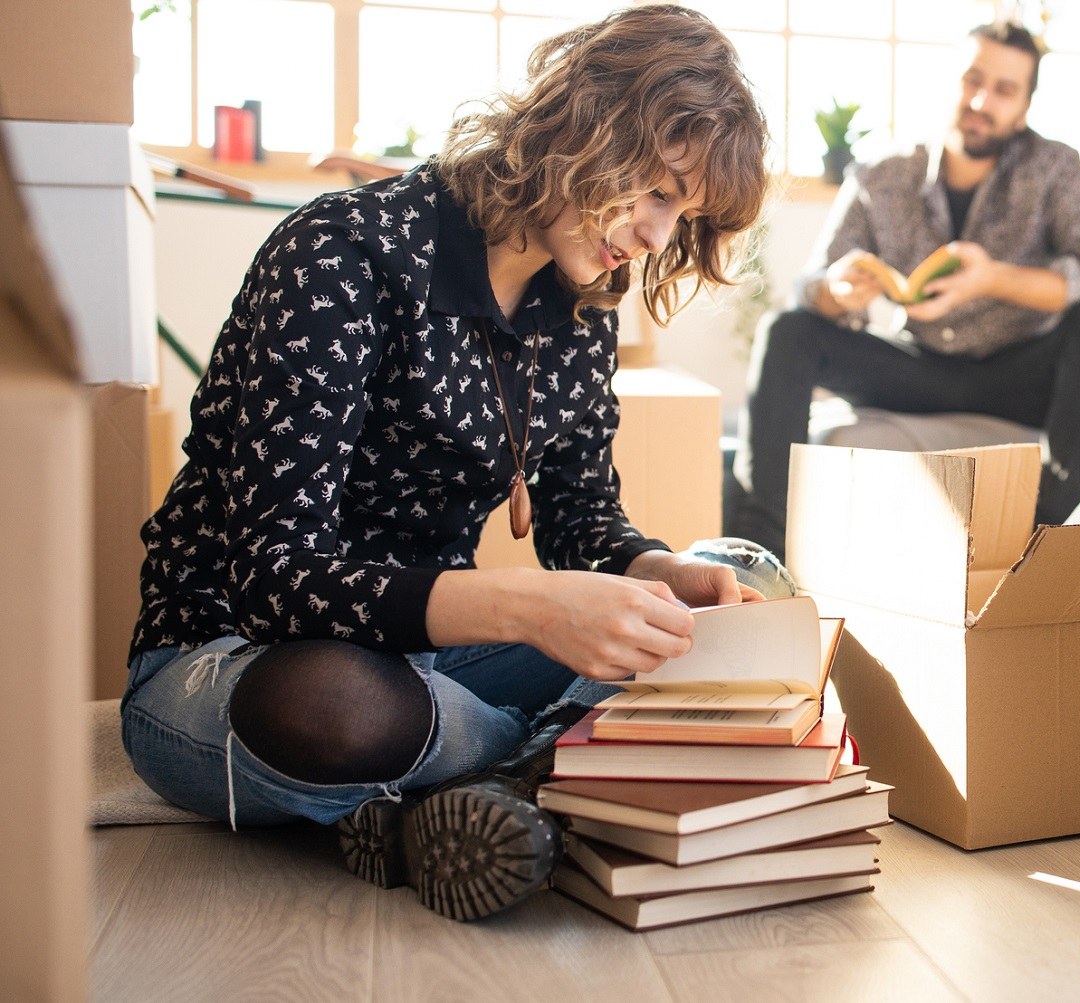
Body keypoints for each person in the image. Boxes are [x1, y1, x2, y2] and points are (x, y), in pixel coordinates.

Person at [120, 5, 777, 922]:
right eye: (662, 193)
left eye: (684, 217)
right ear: (590, 123)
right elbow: (275, 578)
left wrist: (657, 572)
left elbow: (583, 521)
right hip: (235, 658)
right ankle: (539, 767)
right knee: (343, 704)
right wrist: (530, 607)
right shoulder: (342, 253)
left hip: (428, 669)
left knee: (687, 635)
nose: (660, 237)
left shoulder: (581, 307)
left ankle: (456, 790)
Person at [725, 20, 1080, 557]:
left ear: (1025, 107)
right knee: (786, 329)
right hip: (915, 366)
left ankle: (1049, 543)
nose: (982, 101)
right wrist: (837, 290)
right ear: (951, 81)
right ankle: (762, 553)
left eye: (1004, 90)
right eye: (972, 79)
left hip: (1018, 373)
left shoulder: (1055, 168)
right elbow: (811, 285)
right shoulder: (882, 173)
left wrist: (994, 279)